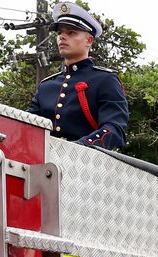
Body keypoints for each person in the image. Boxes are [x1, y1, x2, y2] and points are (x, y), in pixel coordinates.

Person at [27, 2, 128, 149]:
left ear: (89, 41)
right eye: (60, 33)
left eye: (71, 32)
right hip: (45, 163)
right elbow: (27, 125)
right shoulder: (46, 86)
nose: (62, 37)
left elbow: (114, 130)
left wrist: (79, 148)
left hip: (88, 165)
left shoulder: (105, 80)